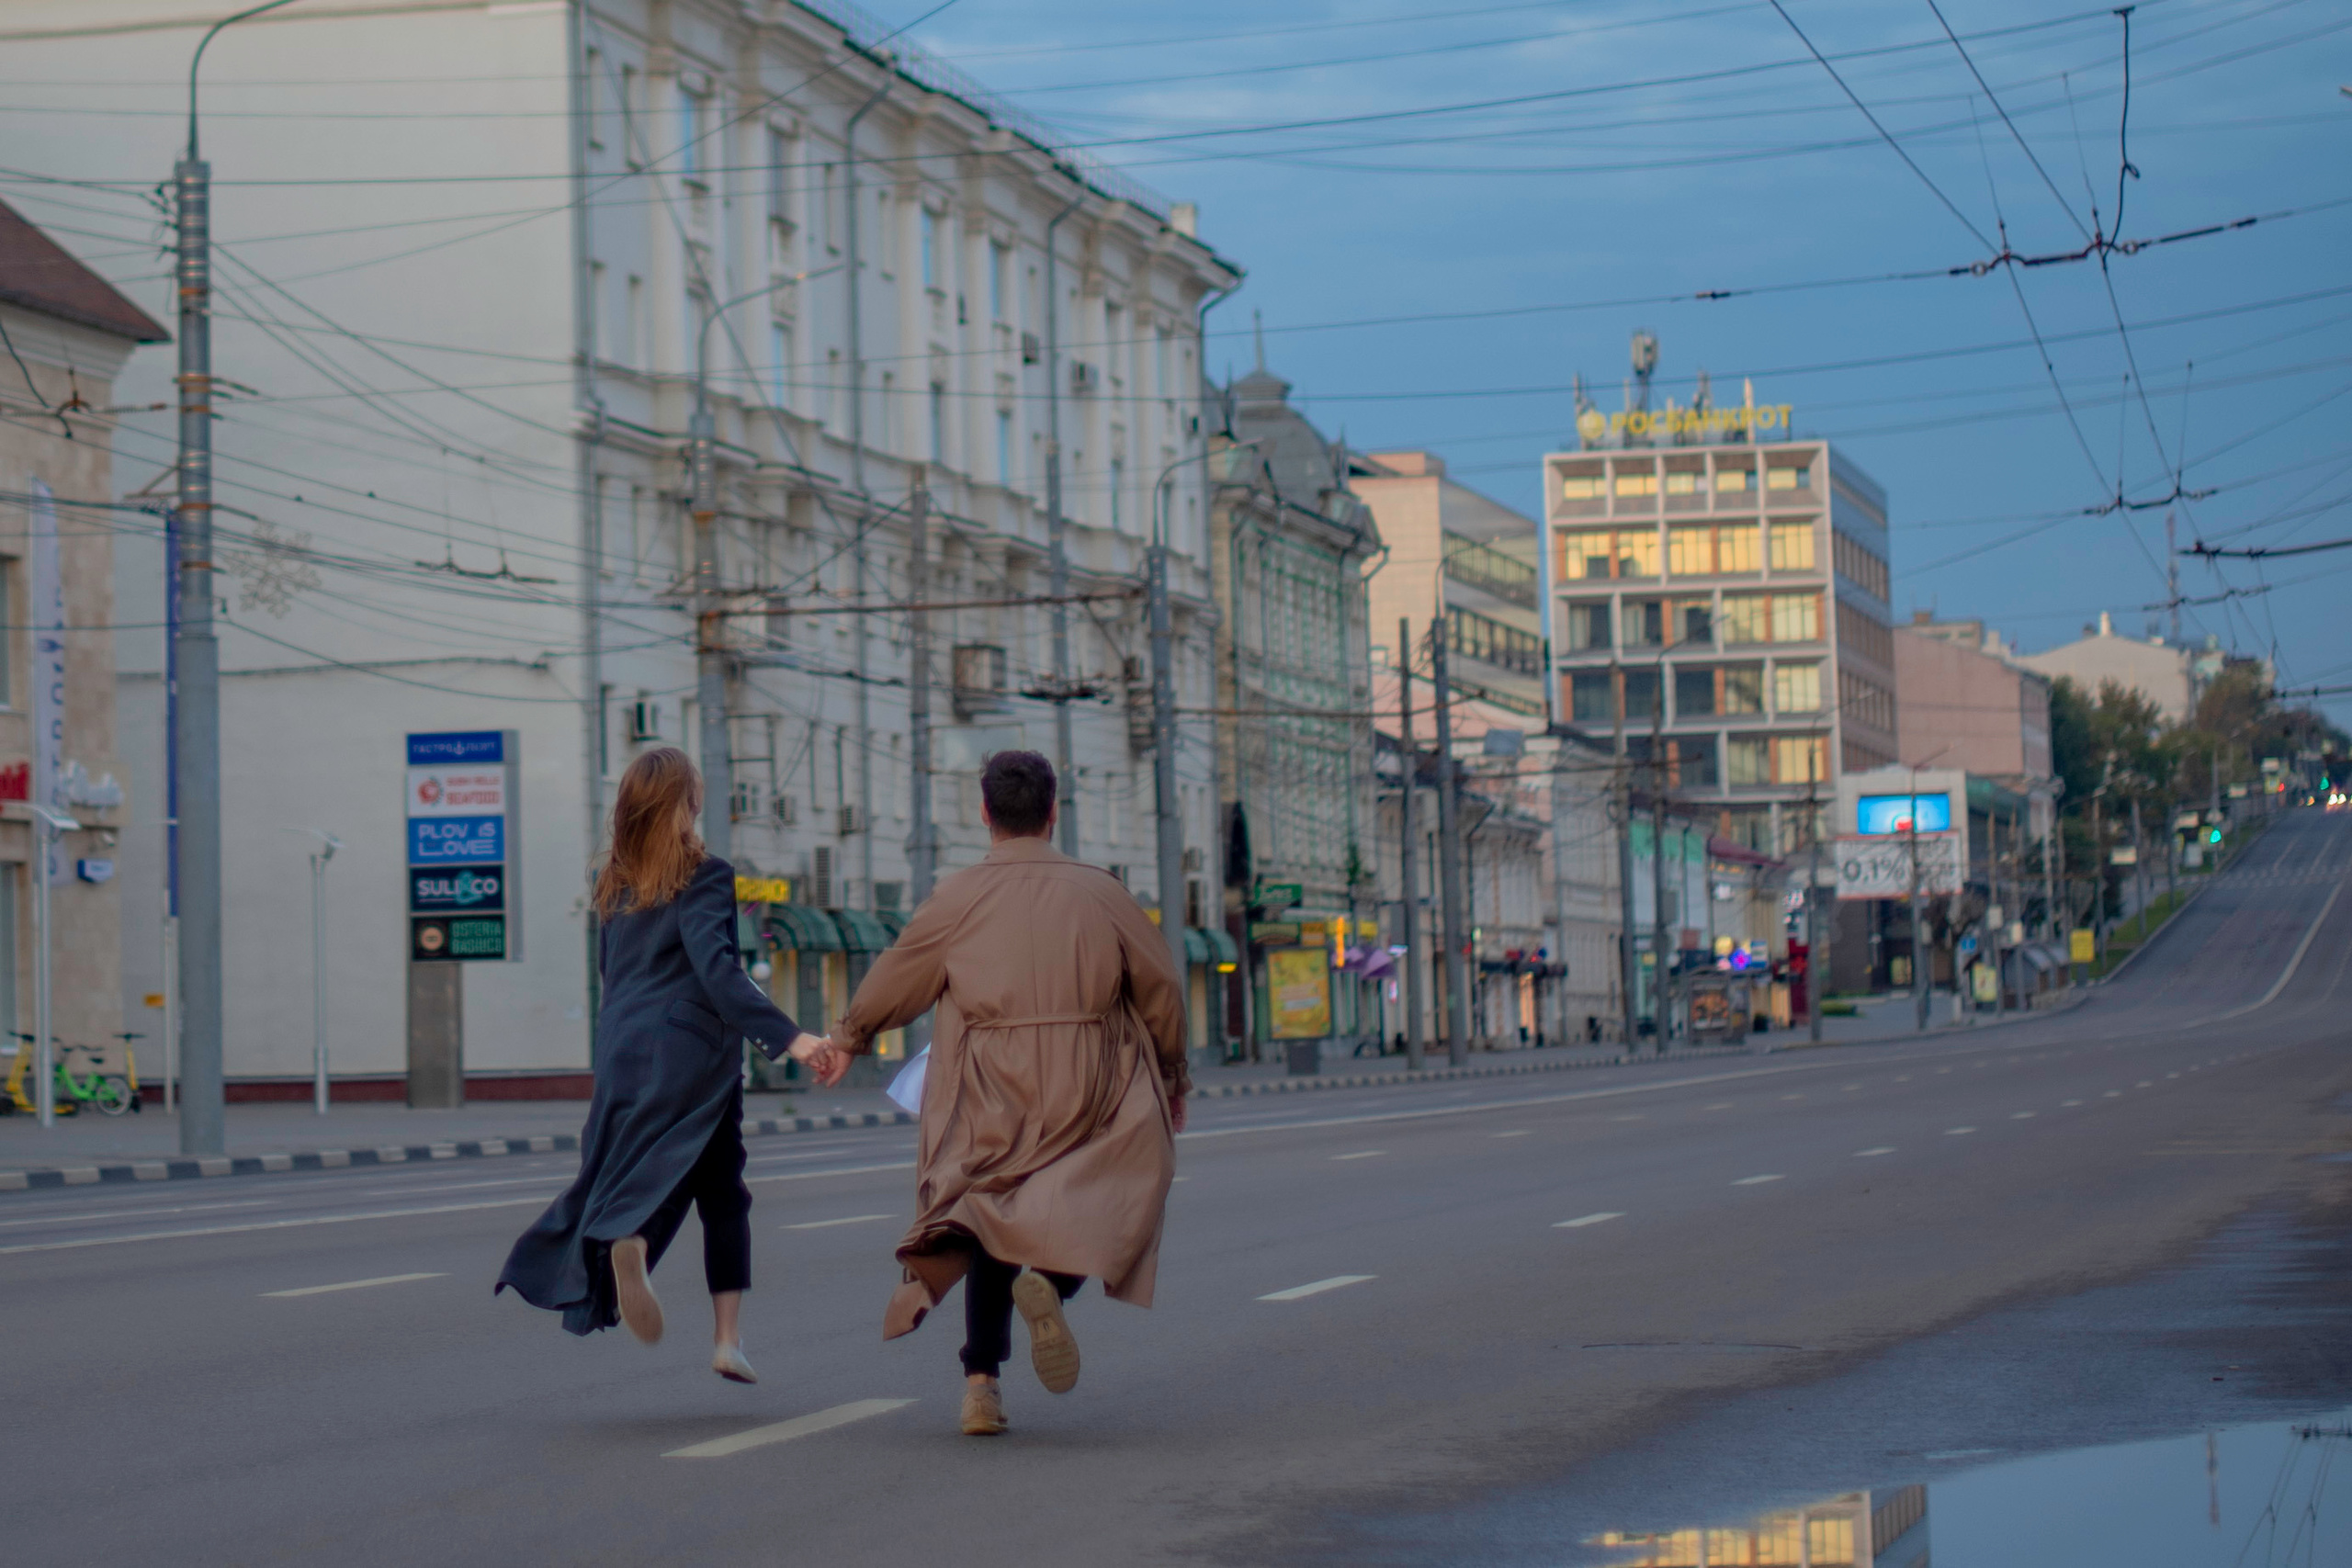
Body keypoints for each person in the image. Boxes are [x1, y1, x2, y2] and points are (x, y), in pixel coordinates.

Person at [813, 750, 1188, 1436]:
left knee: (987, 1216)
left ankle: (980, 1387)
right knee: (1113, 1188)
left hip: (989, 1081)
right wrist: (1170, 1077)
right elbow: (1160, 988)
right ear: (1053, 812)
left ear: (984, 812)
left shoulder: (958, 896)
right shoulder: (1104, 892)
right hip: (1092, 1079)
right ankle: (1053, 1282)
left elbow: (899, 975)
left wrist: (848, 1036)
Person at [496, 747, 839, 1382]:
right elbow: (717, 970)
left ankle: (635, 1242)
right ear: (687, 802)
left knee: (649, 1166)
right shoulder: (704, 874)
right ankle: (726, 1339)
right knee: (725, 1192)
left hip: (622, 1046)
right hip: (691, 1052)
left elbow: (612, 974)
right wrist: (790, 1038)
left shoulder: (613, 880)